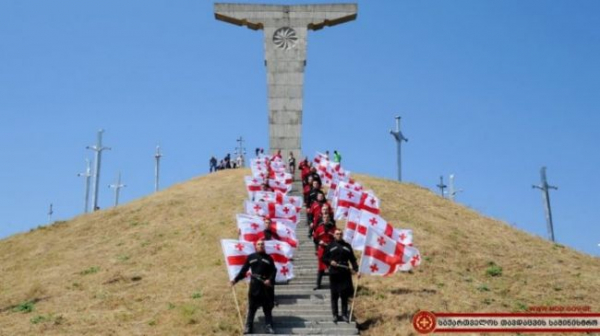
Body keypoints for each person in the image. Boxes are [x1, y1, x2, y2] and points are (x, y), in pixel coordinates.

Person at [231, 239, 277, 334]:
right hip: (254, 286)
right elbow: (243, 271)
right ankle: (248, 327)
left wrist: (270, 280)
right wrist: (235, 280)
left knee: (267, 308)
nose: (260, 246)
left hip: (265, 286)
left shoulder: (269, 258)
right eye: (258, 244)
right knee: (252, 308)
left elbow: (274, 271)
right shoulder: (251, 257)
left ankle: (269, 326)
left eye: (262, 244)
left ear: (264, 246)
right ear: (256, 246)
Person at [322, 229, 359, 323]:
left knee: (344, 295)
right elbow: (324, 258)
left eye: (341, 234)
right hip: (334, 272)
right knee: (334, 295)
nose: (339, 235)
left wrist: (357, 270)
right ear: (334, 235)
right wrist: (330, 261)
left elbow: (353, 260)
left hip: (345, 272)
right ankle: (335, 314)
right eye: (337, 234)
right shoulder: (330, 245)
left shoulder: (347, 246)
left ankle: (344, 314)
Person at [312, 212, 336, 290]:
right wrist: (319, 242)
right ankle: (318, 284)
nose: (326, 219)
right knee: (320, 268)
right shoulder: (319, 228)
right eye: (324, 218)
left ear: (329, 219)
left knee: (332, 268)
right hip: (322, 250)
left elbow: (336, 238)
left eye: (327, 218)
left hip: (331, 250)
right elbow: (315, 239)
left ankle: (334, 284)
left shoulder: (333, 228)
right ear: (322, 218)